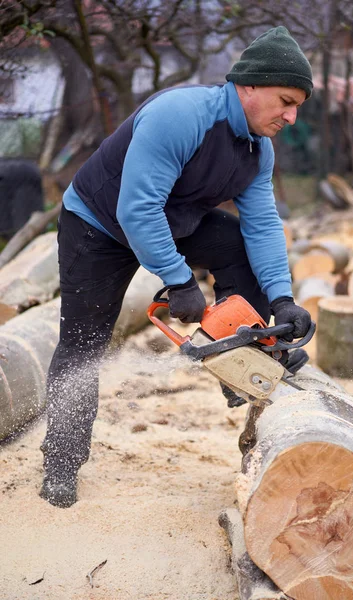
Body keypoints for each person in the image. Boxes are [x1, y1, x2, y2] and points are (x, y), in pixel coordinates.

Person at [40, 26, 313, 508]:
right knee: (84, 342)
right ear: (249, 86)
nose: (291, 116)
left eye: (297, 106)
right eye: (285, 101)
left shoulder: (257, 147)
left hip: (171, 218)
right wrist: (180, 280)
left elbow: (263, 225)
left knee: (238, 246)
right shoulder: (180, 115)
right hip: (98, 225)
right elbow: (136, 210)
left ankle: (246, 359)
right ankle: (61, 463)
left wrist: (282, 299)